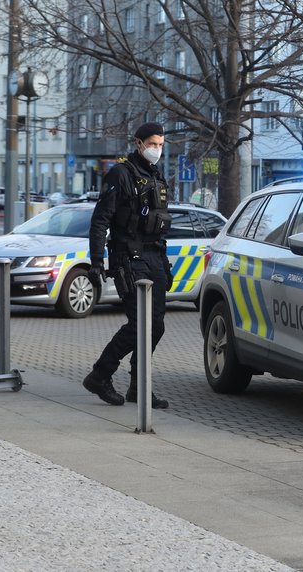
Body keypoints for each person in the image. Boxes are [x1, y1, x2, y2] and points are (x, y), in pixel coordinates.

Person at [82, 122, 173, 408]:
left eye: (160, 144)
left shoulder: (156, 175)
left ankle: (138, 386)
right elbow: (100, 221)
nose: (157, 149)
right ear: (138, 143)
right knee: (139, 324)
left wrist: (164, 263)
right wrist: (97, 262)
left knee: (155, 326)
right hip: (128, 258)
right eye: (153, 144)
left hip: (154, 257)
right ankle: (100, 375)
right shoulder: (121, 174)